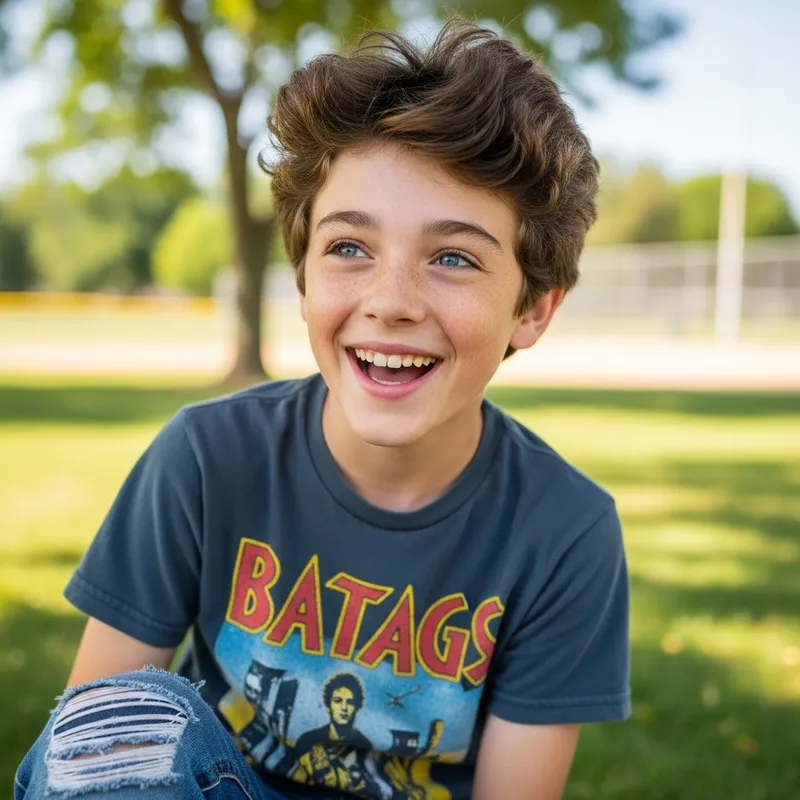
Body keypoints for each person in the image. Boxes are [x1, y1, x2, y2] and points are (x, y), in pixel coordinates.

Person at [14, 18, 630, 800]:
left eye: (453, 257)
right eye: (349, 247)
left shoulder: (564, 530)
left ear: (533, 308)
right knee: (124, 728)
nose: (392, 302)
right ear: (302, 273)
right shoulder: (206, 458)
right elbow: (90, 756)